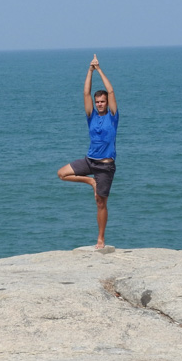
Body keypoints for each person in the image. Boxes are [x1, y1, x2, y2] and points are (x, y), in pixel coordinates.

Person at [57, 54, 118, 249]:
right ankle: (90, 181)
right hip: (89, 160)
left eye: (102, 101)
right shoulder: (91, 116)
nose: (100, 104)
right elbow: (85, 93)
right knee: (62, 173)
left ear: (107, 102)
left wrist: (99, 69)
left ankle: (101, 239)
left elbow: (111, 90)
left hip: (105, 166)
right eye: (97, 101)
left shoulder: (113, 116)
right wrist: (89, 71)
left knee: (101, 203)